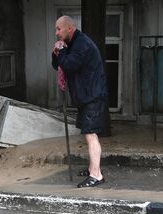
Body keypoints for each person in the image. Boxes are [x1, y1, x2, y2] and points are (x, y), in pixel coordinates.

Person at [52, 15, 108, 188]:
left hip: (92, 95)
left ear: (69, 28)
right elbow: (59, 65)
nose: (56, 33)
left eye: (58, 29)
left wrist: (60, 51)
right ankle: (93, 167)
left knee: (91, 134)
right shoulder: (73, 43)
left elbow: (69, 65)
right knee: (88, 134)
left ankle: (96, 175)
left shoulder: (82, 44)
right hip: (86, 95)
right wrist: (57, 53)